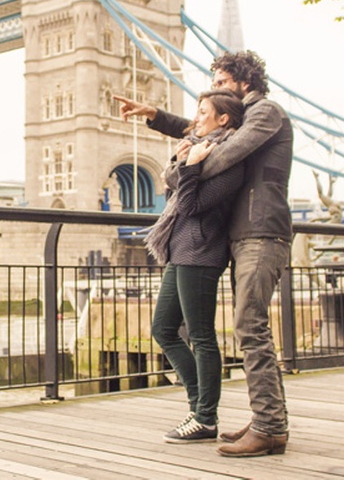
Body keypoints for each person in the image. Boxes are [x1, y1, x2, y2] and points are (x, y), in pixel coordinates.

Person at [114, 50, 293, 457]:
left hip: (261, 230)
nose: (213, 89)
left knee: (249, 327)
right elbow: (206, 128)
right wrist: (158, 117)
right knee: (243, 327)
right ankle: (269, 420)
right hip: (240, 233)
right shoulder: (239, 115)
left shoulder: (265, 112)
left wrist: (181, 167)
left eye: (221, 82)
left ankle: (265, 425)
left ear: (244, 82)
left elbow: (222, 151)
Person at [147, 89, 244, 444]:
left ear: (223, 119)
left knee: (201, 336)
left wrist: (186, 169)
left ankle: (205, 417)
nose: (196, 118)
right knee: (163, 329)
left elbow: (190, 206)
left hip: (201, 252)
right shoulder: (196, 151)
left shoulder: (230, 159)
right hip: (180, 250)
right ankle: (197, 405)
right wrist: (181, 165)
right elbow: (174, 194)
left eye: (204, 112)